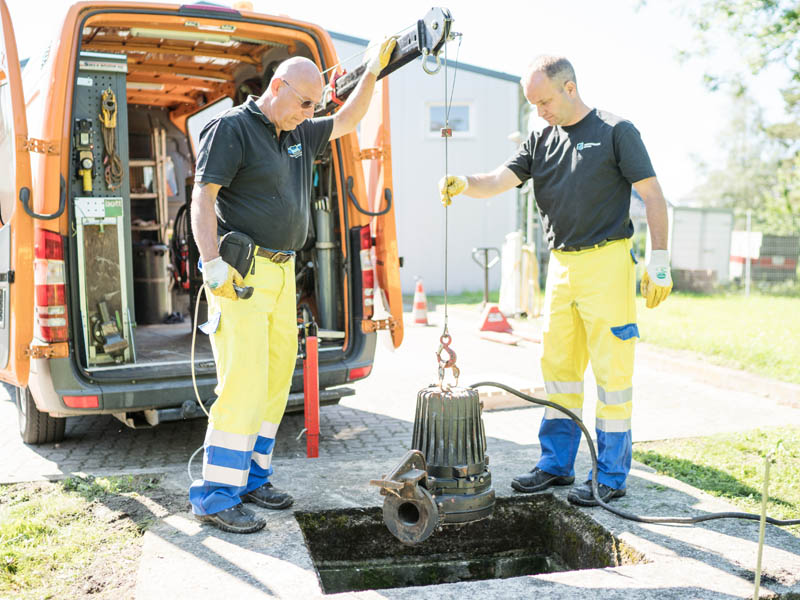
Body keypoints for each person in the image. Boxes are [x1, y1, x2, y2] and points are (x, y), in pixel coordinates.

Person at [439, 55, 673, 506]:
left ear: (569, 88)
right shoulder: (539, 139)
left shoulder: (615, 131)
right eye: (533, 104)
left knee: (612, 375)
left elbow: (653, 196)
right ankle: (555, 465)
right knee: (559, 372)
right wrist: (463, 181)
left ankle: (609, 475)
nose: (540, 110)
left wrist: (659, 262)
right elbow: (494, 181)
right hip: (562, 268)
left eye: (544, 100)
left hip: (608, 262)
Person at [189, 38, 397, 533]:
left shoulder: (299, 131)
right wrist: (210, 261)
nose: (310, 114)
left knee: (275, 379)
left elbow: (347, 120)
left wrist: (372, 71)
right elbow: (203, 196)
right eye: (305, 104)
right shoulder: (232, 129)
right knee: (241, 383)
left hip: (282, 273)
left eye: (315, 107)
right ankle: (216, 495)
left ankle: (253, 477)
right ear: (277, 87)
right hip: (241, 274)